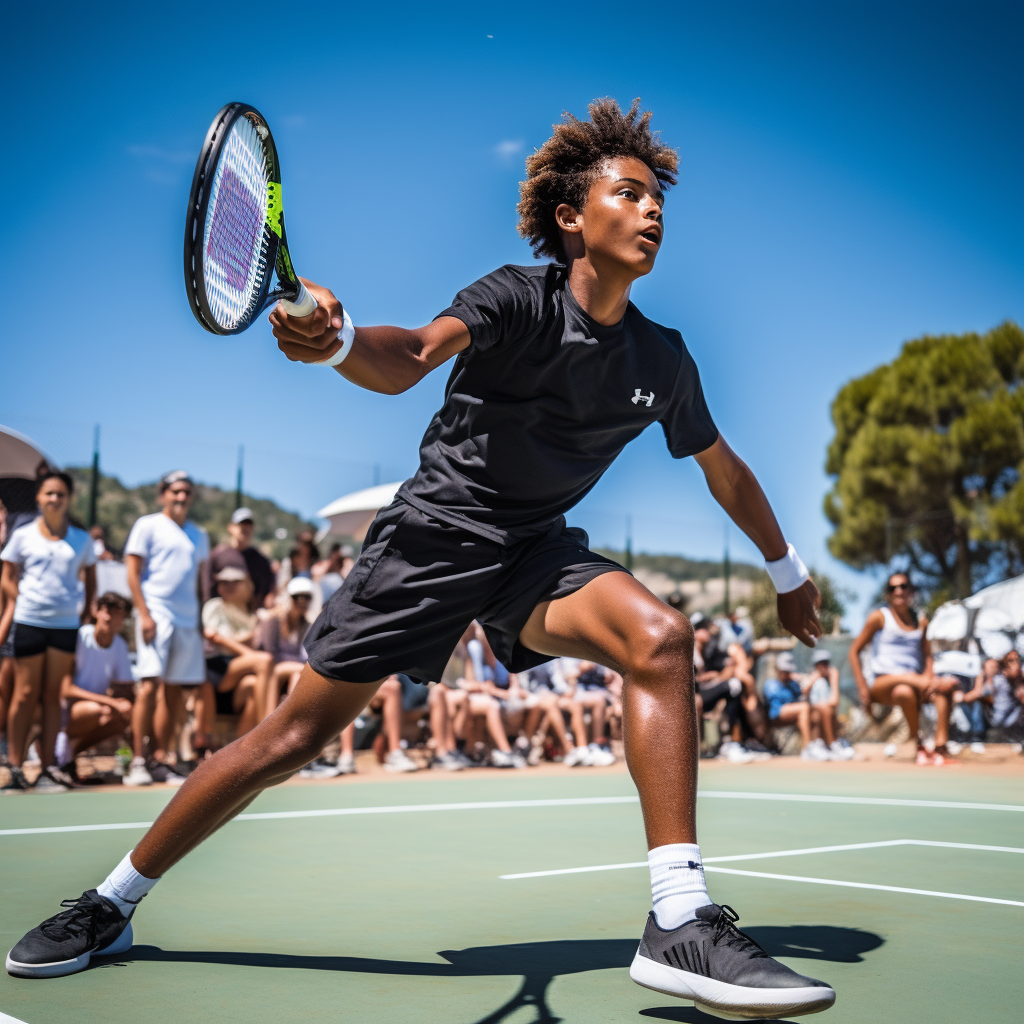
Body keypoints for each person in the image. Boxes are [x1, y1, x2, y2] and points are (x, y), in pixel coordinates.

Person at [8, 98, 834, 1018]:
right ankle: (109, 903)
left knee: (662, 637)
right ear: (573, 218)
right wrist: (340, 340)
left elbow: (725, 471)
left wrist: (787, 571)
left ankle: (679, 920)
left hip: (533, 554)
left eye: (658, 203)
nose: (652, 214)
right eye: (631, 194)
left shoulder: (662, 357)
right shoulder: (518, 298)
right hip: (433, 539)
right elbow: (407, 357)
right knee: (291, 739)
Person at [0, 471, 96, 793]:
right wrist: (22, 600)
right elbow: (7, 576)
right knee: (24, 694)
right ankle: (14, 767)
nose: (54, 499)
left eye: (60, 494)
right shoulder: (23, 535)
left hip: (65, 627)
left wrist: (82, 611)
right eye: (49, 494)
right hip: (29, 622)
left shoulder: (82, 540)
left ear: (68, 499)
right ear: (39, 498)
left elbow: (91, 580)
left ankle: (47, 769)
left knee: (53, 696)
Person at [121, 471, 209, 787]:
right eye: (175, 491)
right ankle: (138, 762)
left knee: (175, 691)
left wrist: (200, 623)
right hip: (156, 615)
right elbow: (132, 572)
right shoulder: (147, 525)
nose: (181, 497)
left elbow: (200, 584)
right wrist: (144, 614)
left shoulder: (199, 535)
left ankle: (162, 758)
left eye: (186, 492)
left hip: (188, 623)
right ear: (163, 495)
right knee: (148, 686)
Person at [848, 572, 958, 766]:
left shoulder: (921, 621)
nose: (898, 591)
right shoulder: (879, 617)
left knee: (931, 692)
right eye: (892, 588)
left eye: (903, 586)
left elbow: (928, 654)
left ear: (911, 591)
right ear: (888, 594)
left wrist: (928, 675)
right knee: (909, 685)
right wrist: (862, 688)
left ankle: (939, 748)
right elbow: (853, 651)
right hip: (882, 682)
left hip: (910, 684)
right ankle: (919, 743)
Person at [60, 593, 134, 774]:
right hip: (66, 712)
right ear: (96, 612)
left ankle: (69, 753)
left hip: (99, 707)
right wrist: (109, 701)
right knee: (97, 709)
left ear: (123, 619)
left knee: (121, 716)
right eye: (106, 610)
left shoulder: (120, 645)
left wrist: (121, 702)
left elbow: (125, 688)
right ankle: (60, 746)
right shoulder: (79, 637)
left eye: (117, 613)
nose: (109, 616)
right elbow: (65, 689)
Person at [201, 568, 276, 738]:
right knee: (264, 661)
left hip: (240, 674)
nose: (229, 586)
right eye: (224, 582)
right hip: (217, 668)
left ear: (249, 585)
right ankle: (269, 729)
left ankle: (246, 746)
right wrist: (248, 649)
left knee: (252, 684)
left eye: (235, 582)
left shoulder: (251, 614)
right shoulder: (216, 606)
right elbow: (215, 638)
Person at [204, 508, 276, 612]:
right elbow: (207, 587)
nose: (244, 528)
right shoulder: (217, 555)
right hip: (222, 617)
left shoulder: (261, 561)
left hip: (249, 618)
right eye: (240, 524)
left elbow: (267, 593)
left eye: (248, 524)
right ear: (231, 527)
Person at [807, 649, 853, 760]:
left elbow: (834, 701)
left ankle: (832, 744)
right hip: (812, 714)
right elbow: (804, 693)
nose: (824, 667)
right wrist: (812, 680)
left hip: (828, 713)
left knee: (829, 710)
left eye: (826, 664)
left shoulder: (830, 678)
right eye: (820, 664)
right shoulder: (814, 680)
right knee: (825, 709)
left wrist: (834, 679)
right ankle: (831, 744)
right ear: (816, 666)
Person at [954, 657, 997, 751]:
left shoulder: (999, 679)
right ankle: (966, 736)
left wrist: (963, 698)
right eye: (990, 666)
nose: (992, 669)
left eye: (994, 666)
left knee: (977, 704)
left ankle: (976, 738)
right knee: (965, 706)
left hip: (993, 714)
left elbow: (978, 693)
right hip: (981, 711)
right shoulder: (979, 677)